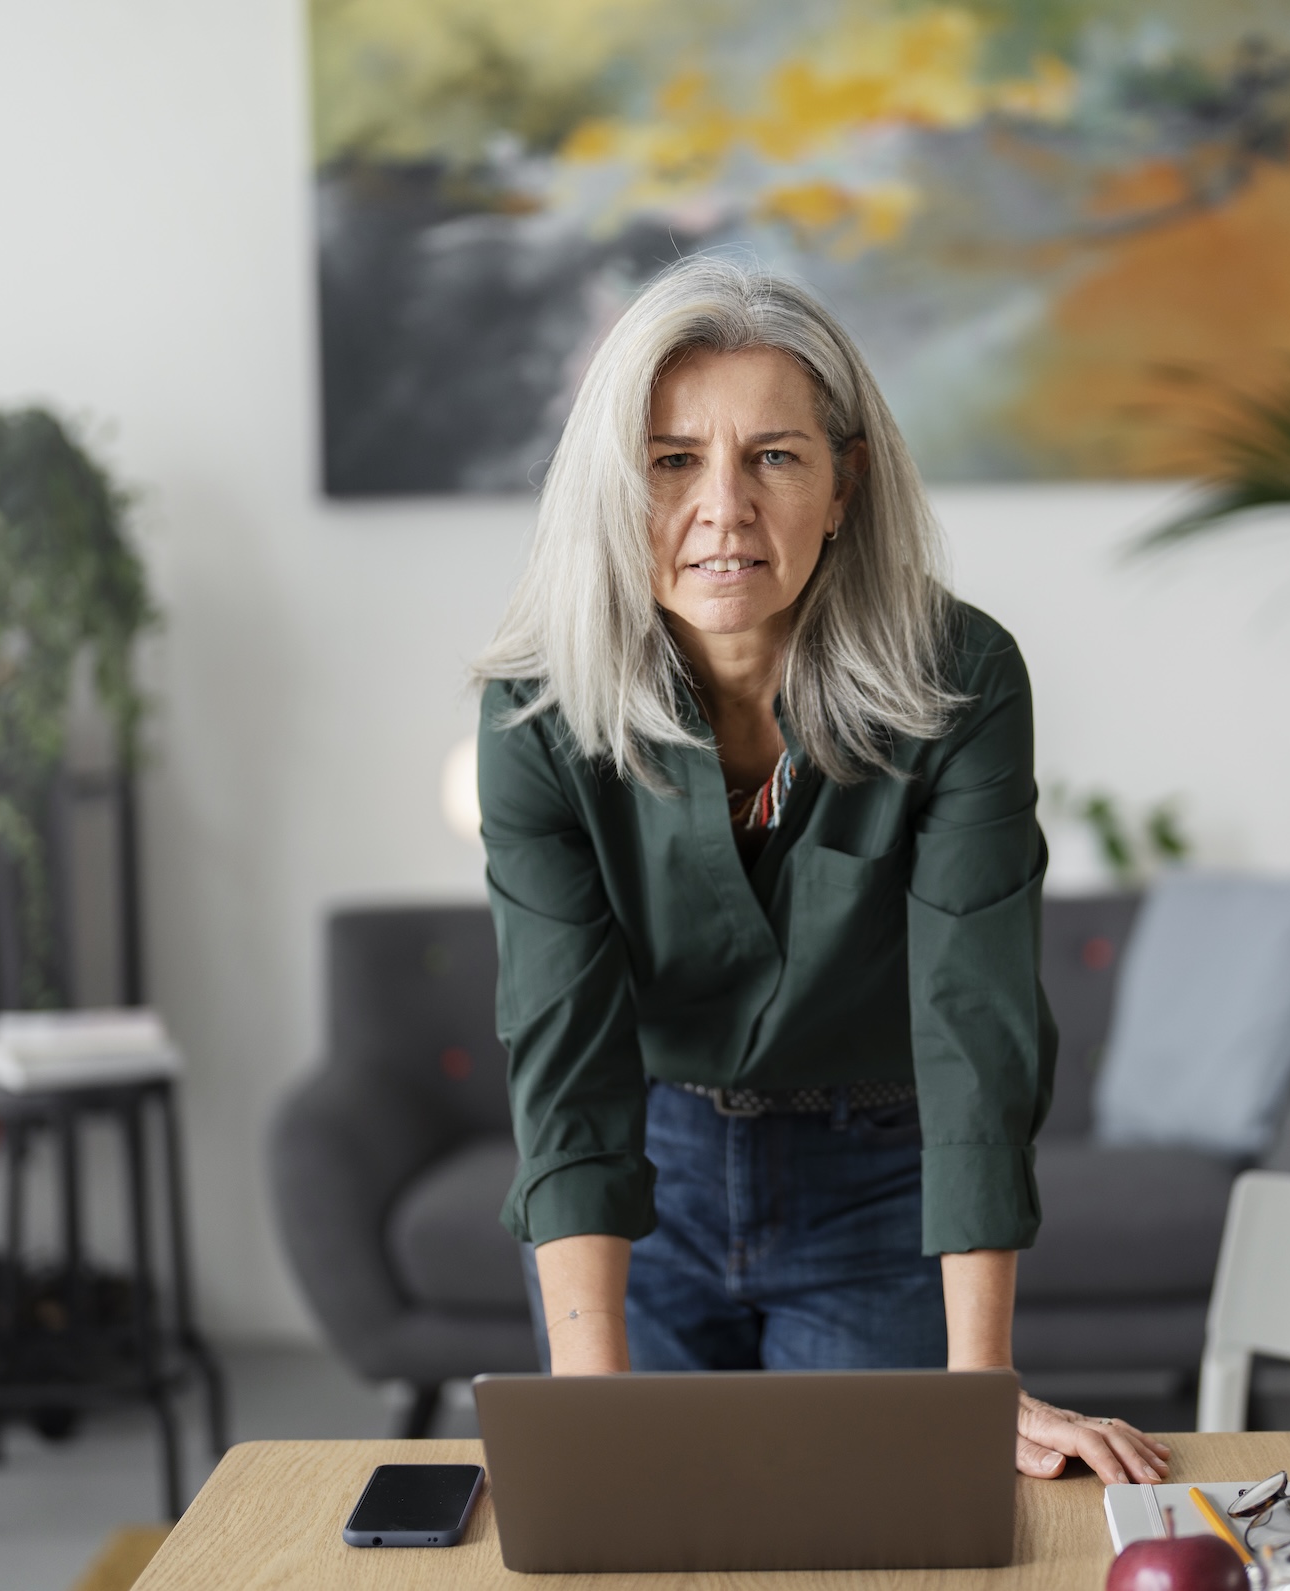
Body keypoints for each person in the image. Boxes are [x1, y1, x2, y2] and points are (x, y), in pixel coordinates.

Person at [471, 256, 1170, 1485]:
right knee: (640, 1548)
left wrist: (980, 1387)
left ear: (844, 482)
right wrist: (587, 1418)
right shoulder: (539, 709)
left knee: (887, 1547)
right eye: (673, 459)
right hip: (652, 1173)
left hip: (876, 1182)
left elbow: (975, 1028)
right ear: (612, 487)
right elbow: (563, 1051)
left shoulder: (961, 679)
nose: (724, 510)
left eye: (774, 457)